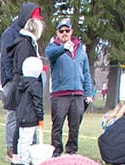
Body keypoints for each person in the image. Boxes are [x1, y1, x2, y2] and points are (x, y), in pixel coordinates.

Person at [0, 2, 43, 160]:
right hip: (14, 82)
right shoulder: (11, 34)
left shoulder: (29, 39)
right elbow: (6, 59)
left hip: (25, 83)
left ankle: (29, 148)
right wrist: (13, 81)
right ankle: (12, 149)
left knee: (28, 113)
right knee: (13, 115)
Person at [45, 17, 93, 157]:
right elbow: (50, 54)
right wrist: (63, 48)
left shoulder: (81, 50)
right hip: (60, 94)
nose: (64, 33)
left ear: (71, 31)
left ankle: (72, 151)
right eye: (61, 31)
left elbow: (86, 73)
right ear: (57, 33)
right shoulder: (53, 47)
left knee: (75, 126)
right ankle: (56, 151)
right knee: (57, 125)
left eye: (67, 30)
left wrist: (88, 93)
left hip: (78, 94)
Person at [12, 56, 44, 165]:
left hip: (21, 115)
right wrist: (40, 117)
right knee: (27, 140)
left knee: (21, 139)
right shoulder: (35, 85)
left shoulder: (20, 84)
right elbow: (37, 102)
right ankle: (25, 162)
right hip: (30, 116)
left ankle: (20, 159)